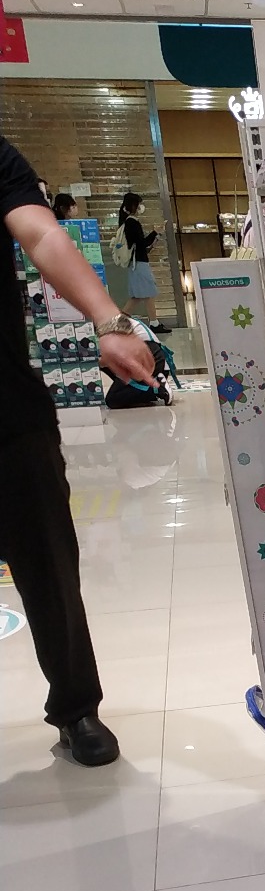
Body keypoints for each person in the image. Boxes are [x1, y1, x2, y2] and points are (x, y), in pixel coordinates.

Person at [1, 135, 157, 765]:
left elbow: (41, 235)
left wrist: (108, 321)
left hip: (7, 407)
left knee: (49, 568)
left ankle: (76, 708)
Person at [117, 191, 163, 332]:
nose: (141, 207)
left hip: (137, 262)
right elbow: (142, 242)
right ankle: (154, 323)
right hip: (139, 263)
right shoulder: (132, 222)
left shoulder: (129, 222)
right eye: (139, 204)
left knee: (138, 295)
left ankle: (120, 322)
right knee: (148, 292)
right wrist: (155, 232)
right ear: (133, 206)